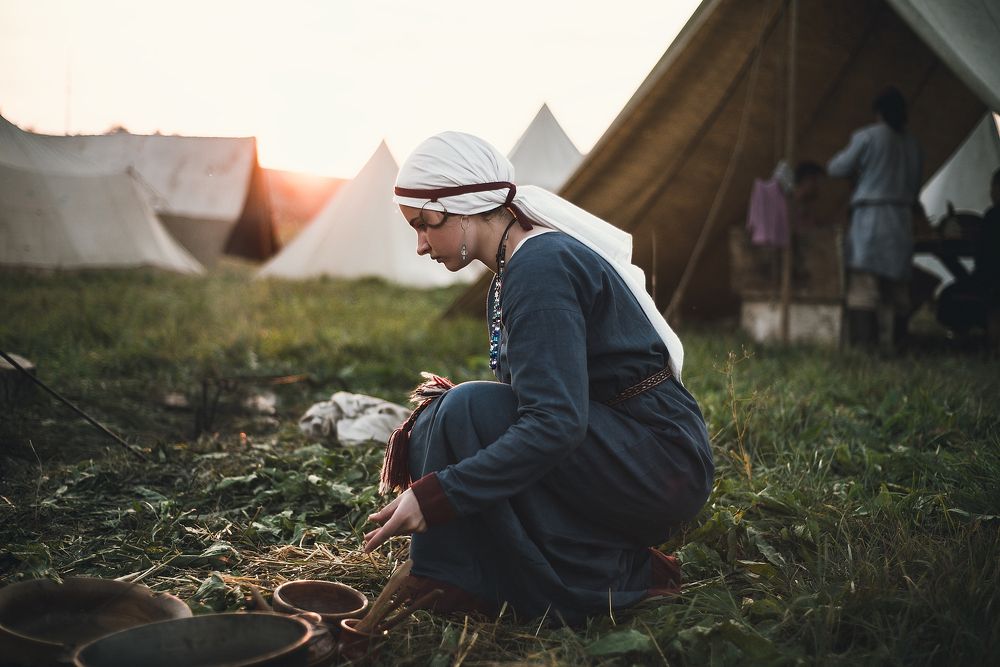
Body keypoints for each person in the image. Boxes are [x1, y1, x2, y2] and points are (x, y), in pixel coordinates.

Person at [362, 131, 714, 624]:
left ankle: (608, 574)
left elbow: (556, 423)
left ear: (464, 207)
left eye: (427, 224)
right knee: (444, 414)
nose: (421, 245)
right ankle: (470, 573)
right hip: (619, 446)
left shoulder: (539, 268)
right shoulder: (513, 271)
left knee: (467, 410)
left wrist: (441, 493)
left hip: (658, 461)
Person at [827, 86, 923, 351]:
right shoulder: (912, 144)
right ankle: (898, 343)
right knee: (897, 287)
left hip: (871, 215)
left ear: (878, 112)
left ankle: (864, 347)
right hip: (901, 216)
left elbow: (837, 167)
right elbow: (915, 184)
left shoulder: (868, 136)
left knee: (864, 283)